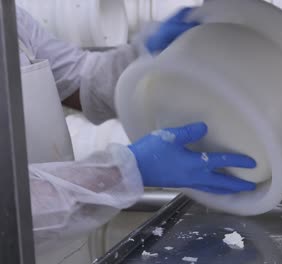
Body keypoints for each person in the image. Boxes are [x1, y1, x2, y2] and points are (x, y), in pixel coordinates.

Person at [15, 5, 257, 251]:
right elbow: (9, 211)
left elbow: (78, 78)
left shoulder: (11, 16)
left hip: (63, 247)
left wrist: (147, 58)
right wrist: (124, 171)